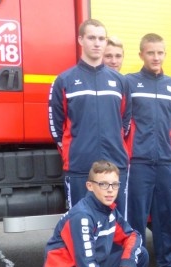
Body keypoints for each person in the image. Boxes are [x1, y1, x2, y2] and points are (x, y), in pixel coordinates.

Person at [48, 19, 130, 217]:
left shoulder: (119, 81)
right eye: (91, 37)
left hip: (115, 166)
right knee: (80, 222)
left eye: (101, 38)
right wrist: (73, 151)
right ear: (80, 40)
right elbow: (55, 126)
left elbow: (125, 122)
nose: (97, 43)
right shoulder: (64, 80)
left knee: (116, 226)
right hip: (79, 166)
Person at [125, 33, 171, 267]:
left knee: (166, 217)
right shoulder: (130, 83)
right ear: (141, 55)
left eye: (160, 52)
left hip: (164, 162)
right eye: (151, 53)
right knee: (135, 217)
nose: (156, 57)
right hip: (138, 162)